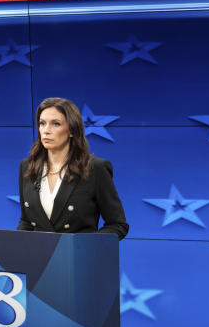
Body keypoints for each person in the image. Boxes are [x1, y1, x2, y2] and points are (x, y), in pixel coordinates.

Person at [17, 97, 128, 239]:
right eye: (42, 123)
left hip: (78, 258)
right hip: (39, 259)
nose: (46, 130)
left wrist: (84, 247)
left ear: (71, 130)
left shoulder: (95, 168)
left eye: (55, 124)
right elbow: (26, 222)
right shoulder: (26, 166)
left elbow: (118, 225)